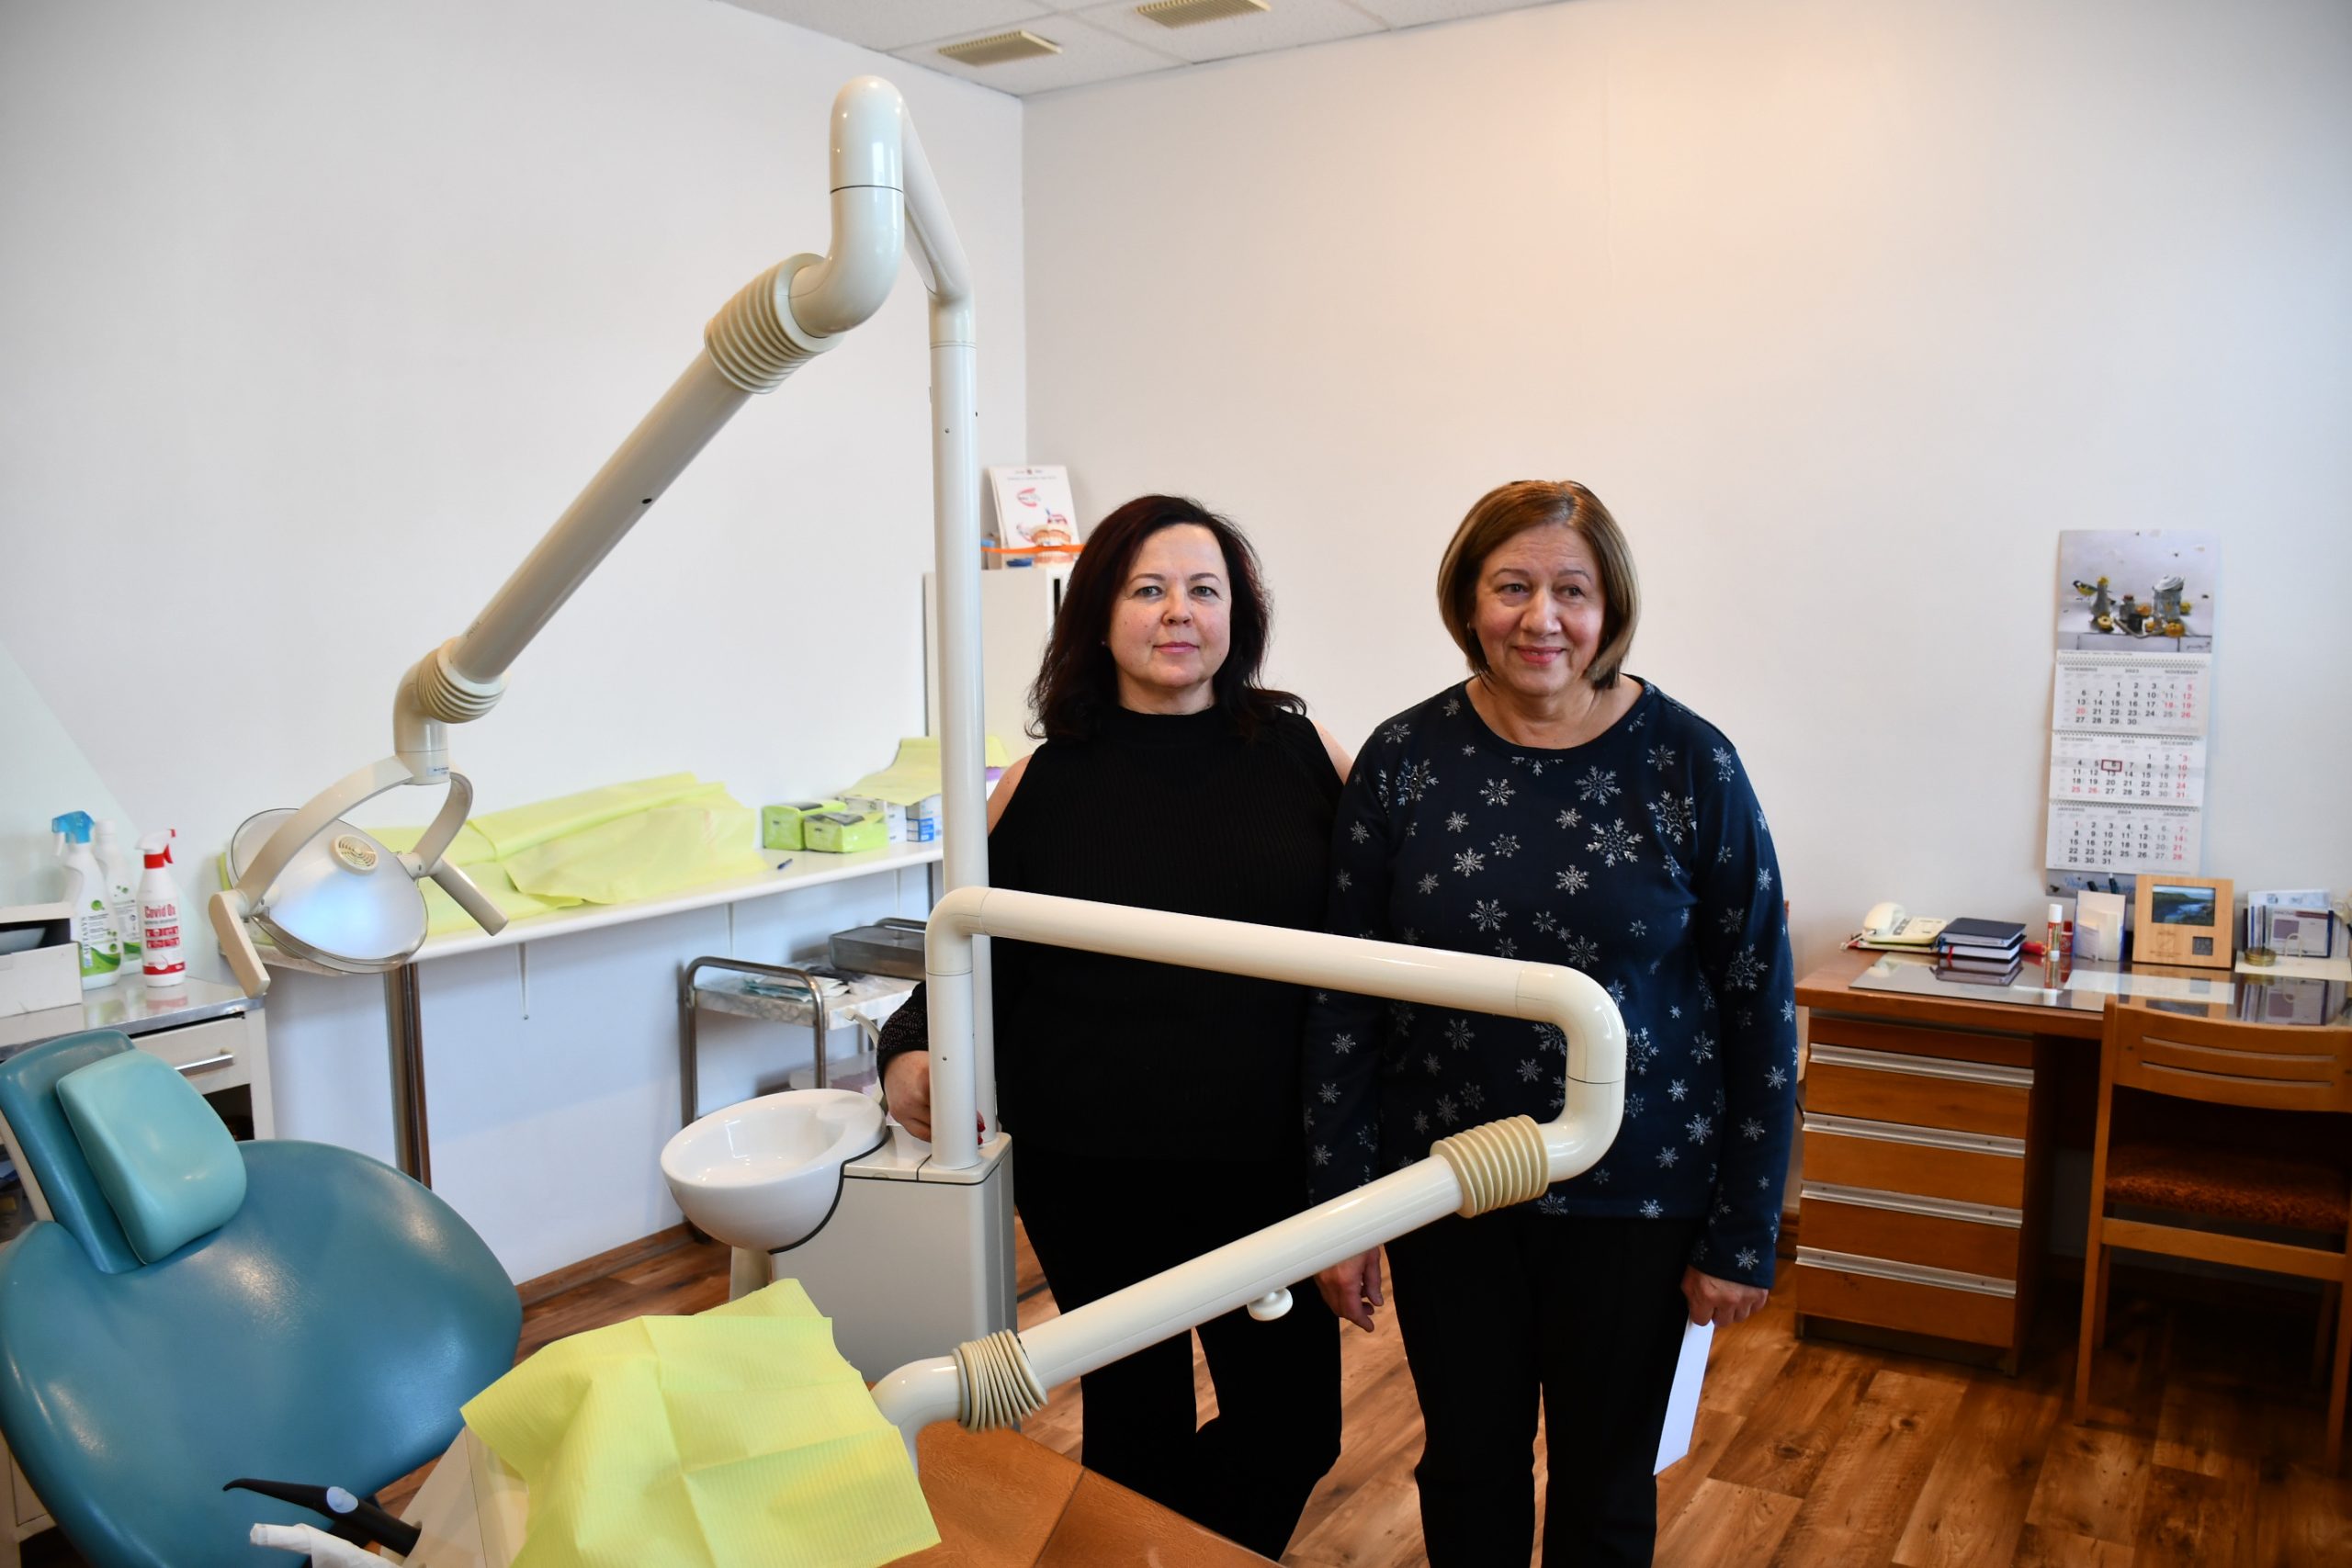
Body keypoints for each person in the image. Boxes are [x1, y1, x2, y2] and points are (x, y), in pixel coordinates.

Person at [1305, 479, 1796, 1567]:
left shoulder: (1690, 762)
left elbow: (1759, 1003)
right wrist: (1341, 1204)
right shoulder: (1403, 757)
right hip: (1447, 1186)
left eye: (1571, 590)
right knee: (1466, 1466)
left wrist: (1743, 1226)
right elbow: (1343, 990)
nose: (1542, 619)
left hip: (1639, 1195)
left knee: (1606, 1487)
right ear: (1465, 601)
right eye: (1511, 587)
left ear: (1609, 606)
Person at [877, 494, 1351, 1559]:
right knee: (1136, 1428)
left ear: (1238, 615)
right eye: (1148, 589)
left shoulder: (1302, 751)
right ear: (1098, 616)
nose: (1178, 611)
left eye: (1203, 589)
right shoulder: (1041, 781)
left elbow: (1379, 935)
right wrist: (905, 1046)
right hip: (1091, 1170)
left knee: (1292, 1428)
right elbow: (971, 951)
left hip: (1270, 1165)